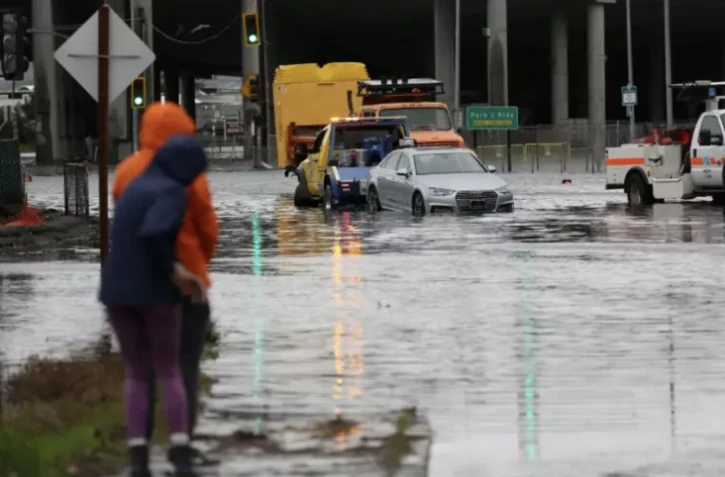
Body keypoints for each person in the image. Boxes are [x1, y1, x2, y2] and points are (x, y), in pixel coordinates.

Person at [113, 102, 219, 466]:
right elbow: (207, 227)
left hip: (135, 281)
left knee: (138, 371)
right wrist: (199, 265)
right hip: (183, 282)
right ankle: (182, 447)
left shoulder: (126, 171)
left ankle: (139, 452)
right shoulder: (188, 175)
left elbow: (125, 226)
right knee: (182, 364)